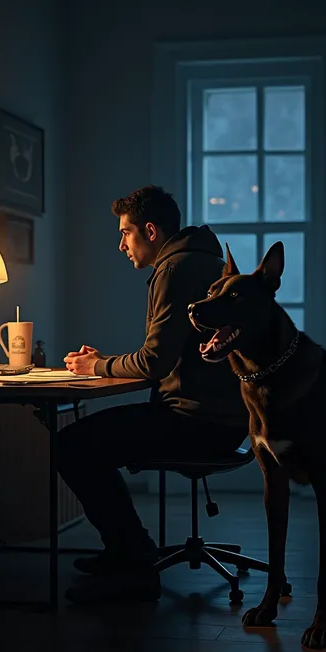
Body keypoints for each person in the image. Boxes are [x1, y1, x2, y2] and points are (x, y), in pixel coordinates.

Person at [49, 185, 248, 604]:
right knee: (87, 440)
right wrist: (105, 361)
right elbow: (163, 356)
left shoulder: (175, 270)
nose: (121, 244)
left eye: (126, 233)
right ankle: (128, 552)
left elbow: (154, 363)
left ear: (151, 231)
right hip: (225, 418)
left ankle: (133, 564)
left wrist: (96, 366)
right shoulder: (206, 259)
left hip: (198, 422)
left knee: (71, 444)